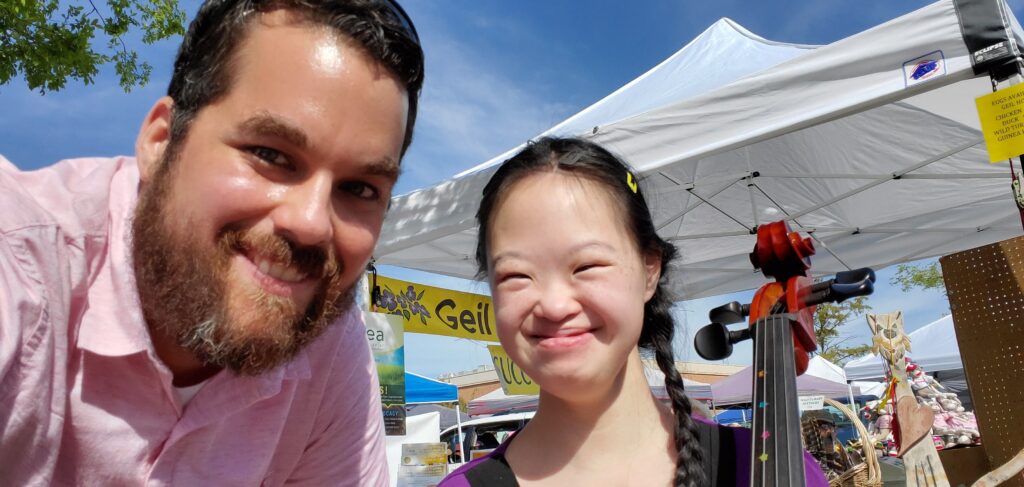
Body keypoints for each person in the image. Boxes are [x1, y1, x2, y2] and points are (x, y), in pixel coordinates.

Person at [0, 0, 423, 485]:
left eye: (360, 189)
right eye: (270, 154)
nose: (311, 224)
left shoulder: (327, 344)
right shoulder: (20, 257)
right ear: (161, 142)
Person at [440, 137, 828, 486]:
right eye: (516, 275)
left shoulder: (750, 466)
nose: (554, 305)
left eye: (587, 266)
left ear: (649, 271)